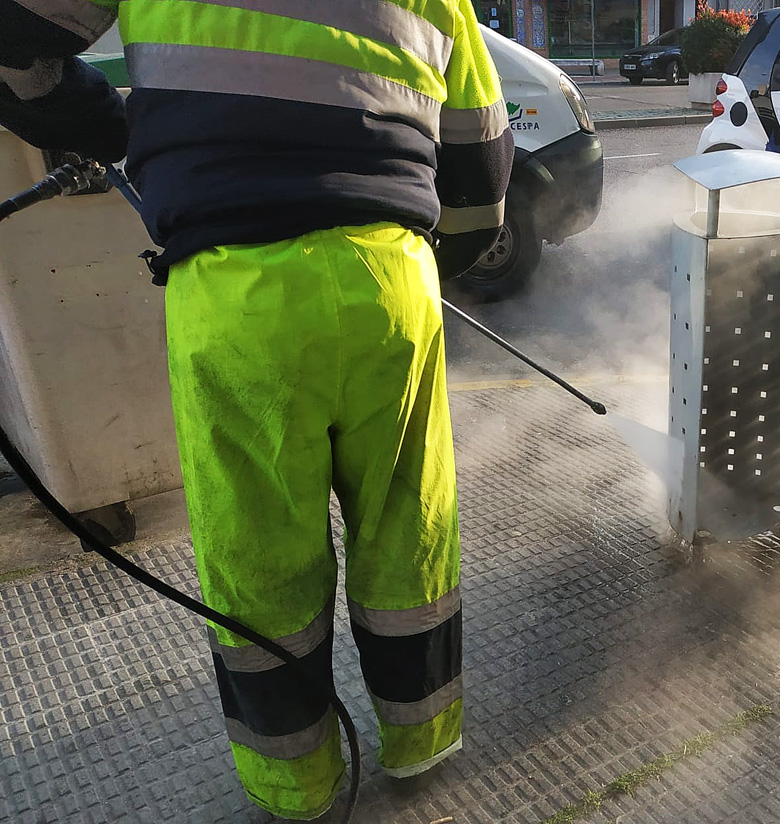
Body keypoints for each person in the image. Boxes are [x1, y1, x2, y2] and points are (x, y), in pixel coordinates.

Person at [0, 0, 511, 818]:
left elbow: (16, 50)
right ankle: (421, 742)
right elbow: (481, 179)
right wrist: (413, 261)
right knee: (407, 525)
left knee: (260, 552)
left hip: (237, 292)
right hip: (391, 283)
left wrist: (118, 128)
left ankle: (296, 785)